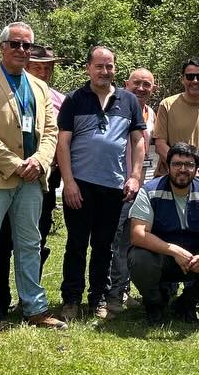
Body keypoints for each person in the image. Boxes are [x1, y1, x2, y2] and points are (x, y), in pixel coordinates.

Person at [0, 22, 63, 334]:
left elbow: (51, 131)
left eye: (26, 46)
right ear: (2, 46)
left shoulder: (39, 87)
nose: (21, 51)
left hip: (32, 178)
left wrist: (39, 161)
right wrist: (14, 163)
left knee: (30, 244)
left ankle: (34, 308)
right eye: (15, 44)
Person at [56, 46, 146, 322]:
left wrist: (135, 176)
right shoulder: (74, 100)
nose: (105, 72)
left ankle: (97, 299)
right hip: (79, 186)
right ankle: (71, 299)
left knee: (104, 246)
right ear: (88, 69)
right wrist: (68, 182)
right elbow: (63, 143)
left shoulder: (128, 100)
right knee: (76, 244)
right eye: (99, 66)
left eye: (109, 67)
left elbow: (139, 141)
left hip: (114, 187)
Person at [0, 44, 66, 320]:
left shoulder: (60, 99)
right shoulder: (6, 92)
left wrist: (43, 164)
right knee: (0, 240)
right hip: (5, 173)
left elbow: (61, 138)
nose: (44, 72)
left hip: (44, 176)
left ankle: (30, 301)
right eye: (37, 66)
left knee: (35, 239)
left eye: (48, 67)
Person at [126, 142, 199, 326]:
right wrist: (173, 251)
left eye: (189, 165)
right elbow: (138, 235)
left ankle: (187, 303)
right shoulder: (150, 191)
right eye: (177, 164)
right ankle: (154, 304)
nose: (183, 169)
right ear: (168, 166)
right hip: (159, 258)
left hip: (193, 259)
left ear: (196, 168)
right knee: (139, 258)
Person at [103, 67, 158, 312]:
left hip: (143, 188)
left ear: (153, 89)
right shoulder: (115, 108)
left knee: (131, 242)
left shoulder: (152, 114)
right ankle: (107, 294)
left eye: (147, 84)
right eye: (137, 83)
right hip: (119, 184)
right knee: (113, 240)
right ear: (126, 83)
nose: (141, 88)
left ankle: (123, 290)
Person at [152, 57, 199, 181]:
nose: (195, 81)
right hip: (169, 179)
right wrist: (179, 169)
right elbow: (159, 143)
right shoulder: (167, 105)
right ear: (182, 79)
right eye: (190, 76)